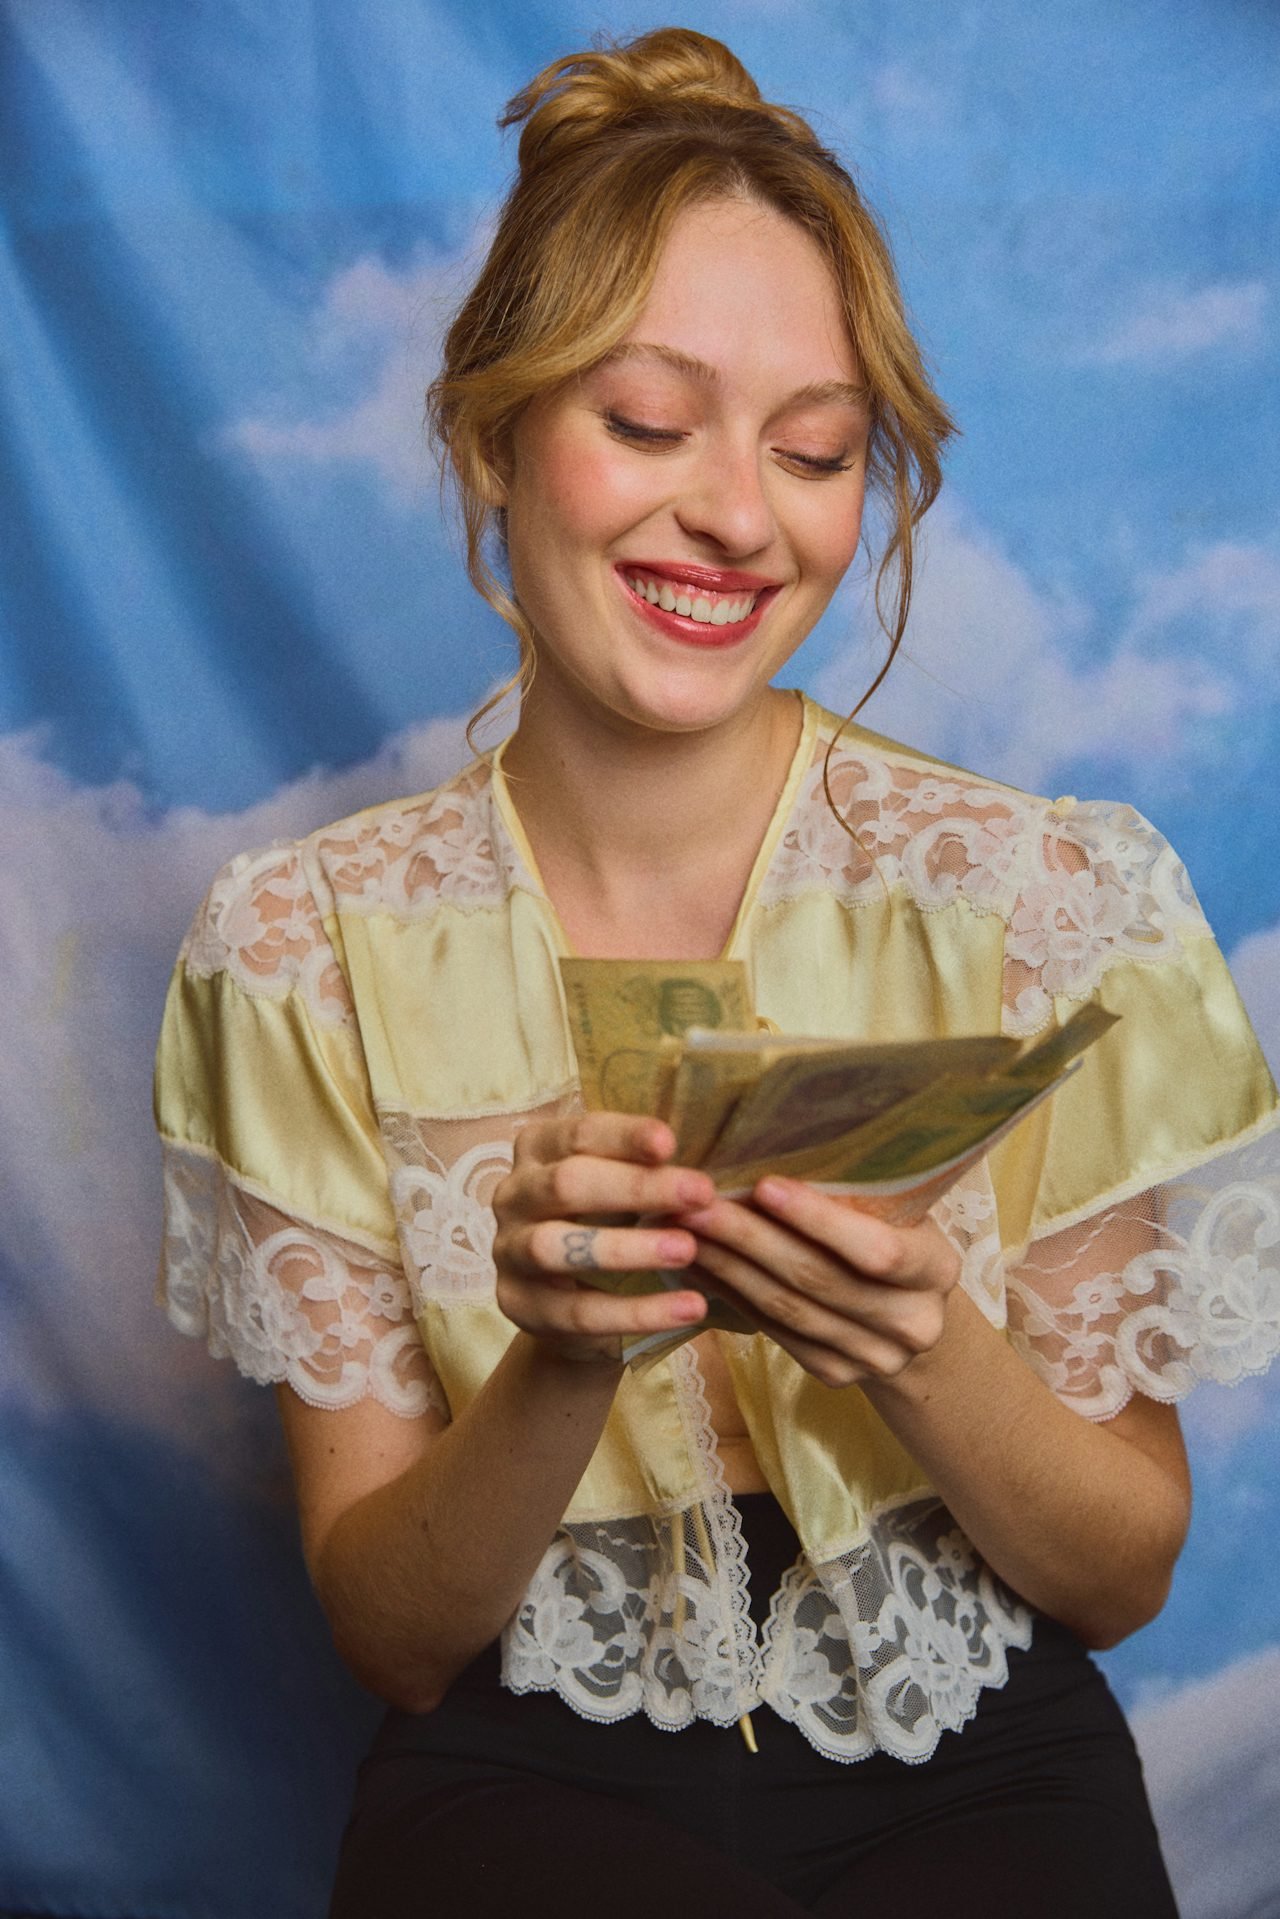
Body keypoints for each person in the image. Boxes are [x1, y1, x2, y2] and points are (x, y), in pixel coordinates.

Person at [153, 27, 1280, 1917]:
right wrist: (557, 1365)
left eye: (817, 449)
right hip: (517, 1761)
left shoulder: (1053, 897)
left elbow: (1116, 1577)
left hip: (979, 1756)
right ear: (492, 432)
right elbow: (396, 1636)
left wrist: (925, 1344)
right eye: (650, 420)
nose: (741, 518)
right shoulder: (297, 951)